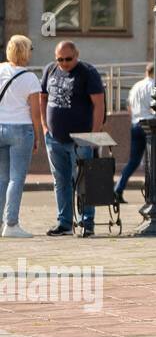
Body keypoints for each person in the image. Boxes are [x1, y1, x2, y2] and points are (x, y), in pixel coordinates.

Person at [41, 41, 105, 236]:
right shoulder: (50, 70)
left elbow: (99, 104)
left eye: (68, 59)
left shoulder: (87, 72)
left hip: (81, 138)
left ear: (76, 55)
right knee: (60, 181)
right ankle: (65, 223)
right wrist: (44, 127)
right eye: (60, 59)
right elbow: (42, 97)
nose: (64, 63)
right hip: (54, 138)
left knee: (83, 180)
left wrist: (94, 135)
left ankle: (87, 222)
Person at [0, 36, 43, 238]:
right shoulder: (30, 78)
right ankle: (11, 224)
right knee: (16, 179)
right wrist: (37, 135)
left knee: (2, 179)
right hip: (20, 129)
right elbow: (36, 112)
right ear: (26, 52)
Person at [113, 63, 155, 205]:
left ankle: (118, 188)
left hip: (136, 124)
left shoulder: (136, 86)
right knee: (154, 161)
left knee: (133, 161)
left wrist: (134, 118)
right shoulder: (154, 86)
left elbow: (129, 106)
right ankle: (153, 192)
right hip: (150, 125)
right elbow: (154, 106)